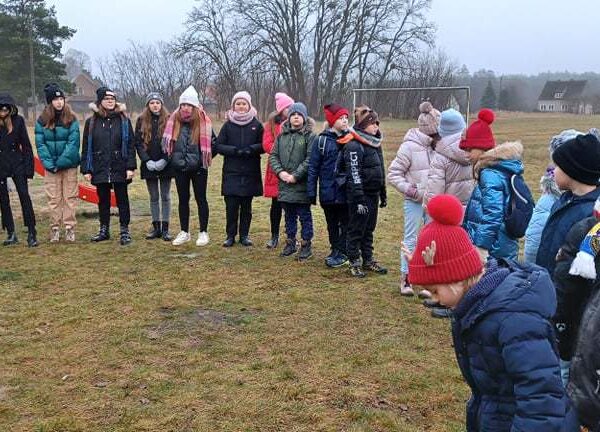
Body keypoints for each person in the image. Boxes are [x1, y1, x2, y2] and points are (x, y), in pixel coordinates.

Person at [407, 194, 568, 432]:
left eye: (435, 290)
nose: (434, 298)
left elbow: (540, 397)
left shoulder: (513, 319)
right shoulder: (475, 306)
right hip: (495, 413)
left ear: (456, 278)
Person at [388, 101, 439, 294]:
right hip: (415, 201)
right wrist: (412, 190)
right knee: (410, 239)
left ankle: (428, 280)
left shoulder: (439, 148)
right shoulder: (409, 147)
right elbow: (393, 174)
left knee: (431, 240)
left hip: (434, 202)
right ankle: (406, 278)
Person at [460, 109, 523, 261]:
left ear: (482, 147)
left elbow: (493, 214)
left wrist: (481, 247)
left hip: (493, 251)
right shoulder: (493, 170)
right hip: (498, 246)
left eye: (469, 149)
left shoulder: (490, 175)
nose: (466, 154)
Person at [536, 133, 600, 277]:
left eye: (558, 166)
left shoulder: (591, 214)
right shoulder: (563, 201)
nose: (553, 171)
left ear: (572, 171)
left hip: (568, 292)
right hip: (547, 283)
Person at [162, 85, 216, 247]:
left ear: (194, 106)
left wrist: (201, 161)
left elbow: (214, 144)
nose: (185, 108)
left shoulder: (203, 121)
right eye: (183, 104)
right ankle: (184, 232)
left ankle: (203, 232)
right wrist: (173, 160)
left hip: (199, 169)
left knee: (201, 199)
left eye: (189, 105)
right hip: (179, 168)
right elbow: (166, 144)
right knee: (183, 200)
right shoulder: (173, 120)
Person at [82, 87, 136, 245]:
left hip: (120, 165)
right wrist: (86, 168)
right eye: (106, 99)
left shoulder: (124, 121)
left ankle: (124, 230)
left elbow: (131, 145)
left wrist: (130, 167)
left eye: (112, 99)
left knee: (122, 200)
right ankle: (104, 229)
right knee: (103, 200)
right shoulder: (91, 122)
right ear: (100, 102)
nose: (110, 101)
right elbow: (86, 146)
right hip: (100, 166)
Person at [339, 108, 387, 277]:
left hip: (373, 194)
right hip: (359, 195)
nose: (376, 126)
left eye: (377, 123)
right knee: (356, 229)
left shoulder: (374, 143)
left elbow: (380, 167)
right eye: (372, 123)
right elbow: (354, 173)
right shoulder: (353, 144)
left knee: (369, 229)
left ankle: (368, 259)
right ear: (363, 125)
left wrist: (383, 192)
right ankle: (354, 261)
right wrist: (359, 198)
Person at [215, 91, 264, 247]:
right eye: (238, 104)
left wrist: (251, 149)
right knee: (231, 206)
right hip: (232, 171)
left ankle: (244, 235)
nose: (241, 106)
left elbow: (264, 145)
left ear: (249, 105)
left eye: (244, 104)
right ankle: (230, 235)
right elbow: (219, 146)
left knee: (246, 207)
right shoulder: (228, 125)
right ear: (233, 106)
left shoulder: (256, 125)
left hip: (250, 171)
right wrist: (234, 150)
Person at [269, 102, 315, 260]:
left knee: (304, 215)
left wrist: (296, 175)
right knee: (288, 215)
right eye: (293, 115)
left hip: (301, 185)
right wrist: (281, 173)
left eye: (299, 115)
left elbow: (310, 159)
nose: (296, 117)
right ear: (288, 118)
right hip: (285, 185)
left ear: (304, 117)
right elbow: (273, 156)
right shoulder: (281, 137)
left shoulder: (310, 137)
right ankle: (290, 242)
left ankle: (306, 244)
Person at [35, 83, 81, 243]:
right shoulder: (42, 121)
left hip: (69, 166)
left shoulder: (72, 118)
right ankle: (54, 228)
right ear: (50, 102)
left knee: (70, 197)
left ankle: (69, 228)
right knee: (53, 198)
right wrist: (50, 163)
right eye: (55, 99)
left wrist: (61, 162)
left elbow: (73, 142)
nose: (59, 102)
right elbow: (40, 144)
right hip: (51, 167)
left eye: (61, 98)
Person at [307, 103, 349, 268]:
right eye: (341, 118)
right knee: (332, 222)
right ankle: (335, 249)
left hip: (346, 191)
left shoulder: (351, 138)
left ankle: (344, 251)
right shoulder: (321, 141)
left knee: (345, 222)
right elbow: (313, 167)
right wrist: (311, 191)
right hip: (328, 192)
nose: (345, 121)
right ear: (332, 121)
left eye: (346, 117)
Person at [134, 92, 173, 241]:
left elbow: (172, 142)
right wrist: (146, 160)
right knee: (154, 197)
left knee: (165, 196)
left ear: (161, 104)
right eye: (152, 103)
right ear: (148, 105)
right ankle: (156, 226)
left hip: (166, 165)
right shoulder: (141, 120)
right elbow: (137, 142)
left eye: (157, 102)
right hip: (149, 165)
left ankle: (165, 228)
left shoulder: (169, 120)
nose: (155, 105)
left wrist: (165, 160)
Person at [0, 92, 37, 247]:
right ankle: (11, 232)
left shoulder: (19, 121)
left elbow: (27, 147)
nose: (3, 111)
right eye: (0, 108)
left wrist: (29, 169)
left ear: (11, 108)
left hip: (18, 163)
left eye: (5, 108)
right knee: (3, 200)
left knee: (24, 196)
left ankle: (31, 232)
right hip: (1, 164)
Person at [263, 92, 294, 249]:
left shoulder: (296, 122)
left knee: (291, 204)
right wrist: (283, 150)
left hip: (293, 168)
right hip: (276, 168)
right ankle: (274, 236)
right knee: (276, 204)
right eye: (287, 107)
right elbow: (267, 145)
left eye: (291, 106)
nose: (290, 110)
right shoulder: (270, 125)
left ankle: (291, 236)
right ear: (280, 109)